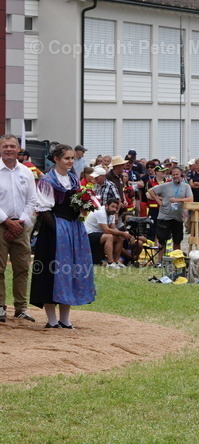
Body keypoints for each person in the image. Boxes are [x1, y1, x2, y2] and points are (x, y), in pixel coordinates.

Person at [30, 144, 95, 328]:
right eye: (67, 158)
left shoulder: (74, 180)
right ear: (56, 159)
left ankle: (65, 319)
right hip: (54, 231)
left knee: (71, 271)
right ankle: (51, 320)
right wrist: (59, 230)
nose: (71, 161)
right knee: (51, 272)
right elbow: (43, 210)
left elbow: (77, 204)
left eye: (73, 158)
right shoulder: (48, 181)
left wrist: (84, 207)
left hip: (74, 229)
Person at [0, 134, 38, 322]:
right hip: (1, 225)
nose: (8, 149)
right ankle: (0, 307)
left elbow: (32, 200)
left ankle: (21, 308)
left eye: (12, 146)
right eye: (5, 146)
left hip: (21, 226)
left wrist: (20, 222)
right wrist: (6, 221)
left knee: (22, 268)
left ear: (18, 149)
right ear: (1, 148)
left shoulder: (26, 172)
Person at [148, 166, 192, 258]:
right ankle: (160, 261)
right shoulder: (166, 185)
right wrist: (158, 201)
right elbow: (151, 191)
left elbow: (190, 199)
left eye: (177, 174)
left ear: (181, 175)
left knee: (177, 240)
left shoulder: (186, 186)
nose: (175, 176)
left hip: (178, 217)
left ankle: (177, 259)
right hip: (164, 216)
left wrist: (177, 200)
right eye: (173, 175)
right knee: (162, 240)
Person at [85, 198, 134, 267]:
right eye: (112, 206)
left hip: (99, 234)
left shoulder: (112, 213)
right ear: (106, 205)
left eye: (116, 208)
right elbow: (106, 230)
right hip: (89, 235)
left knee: (119, 238)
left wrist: (124, 235)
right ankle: (110, 262)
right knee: (109, 236)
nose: (114, 209)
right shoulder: (100, 212)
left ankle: (116, 261)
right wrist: (122, 233)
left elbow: (113, 227)